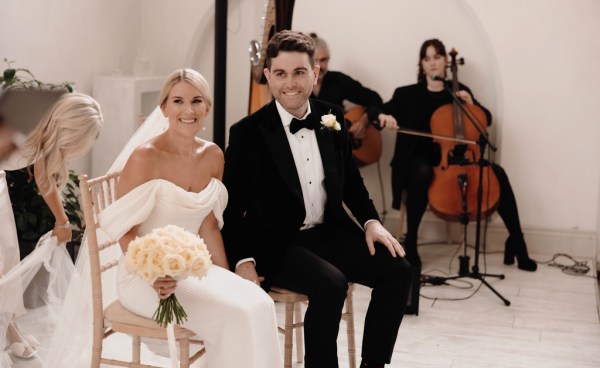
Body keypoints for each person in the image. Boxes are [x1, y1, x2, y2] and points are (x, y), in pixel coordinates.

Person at [222, 30, 413, 368]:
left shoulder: (332, 116)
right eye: (280, 73)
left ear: (315, 73)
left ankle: (373, 364)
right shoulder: (247, 132)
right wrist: (242, 260)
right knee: (331, 284)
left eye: (299, 72)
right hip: (277, 244)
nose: (290, 83)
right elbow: (231, 210)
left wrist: (372, 223)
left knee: (399, 270)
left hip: (328, 233)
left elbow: (351, 181)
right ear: (268, 76)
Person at [99, 68, 282, 368]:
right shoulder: (145, 157)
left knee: (259, 302)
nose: (188, 110)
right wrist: (153, 274)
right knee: (234, 313)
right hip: (145, 277)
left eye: (197, 101)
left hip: (194, 269)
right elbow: (125, 231)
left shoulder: (213, 156)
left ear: (207, 108)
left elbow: (208, 224)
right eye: (178, 101)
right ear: (164, 108)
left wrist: (227, 277)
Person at [368, 38, 537, 272]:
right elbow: (375, 111)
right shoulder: (406, 94)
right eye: (427, 58)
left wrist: (471, 103)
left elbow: (484, 120)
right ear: (422, 64)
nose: (432, 63)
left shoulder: (457, 91)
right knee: (422, 170)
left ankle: (517, 240)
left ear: (446, 61)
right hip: (416, 162)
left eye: (437, 57)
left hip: (457, 160)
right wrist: (382, 118)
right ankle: (413, 242)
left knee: (497, 173)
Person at [0, 91, 103, 364]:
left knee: (8, 262)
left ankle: (9, 328)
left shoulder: (44, 137)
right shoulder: (20, 123)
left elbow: (44, 178)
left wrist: (63, 221)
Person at [309, 33, 382, 145]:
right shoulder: (297, 85)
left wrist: (363, 122)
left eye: (323, 60)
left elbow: (374, 98)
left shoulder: (338, 80)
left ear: (328, 59)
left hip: (340, 151)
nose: (319, 66)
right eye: (314, 61)